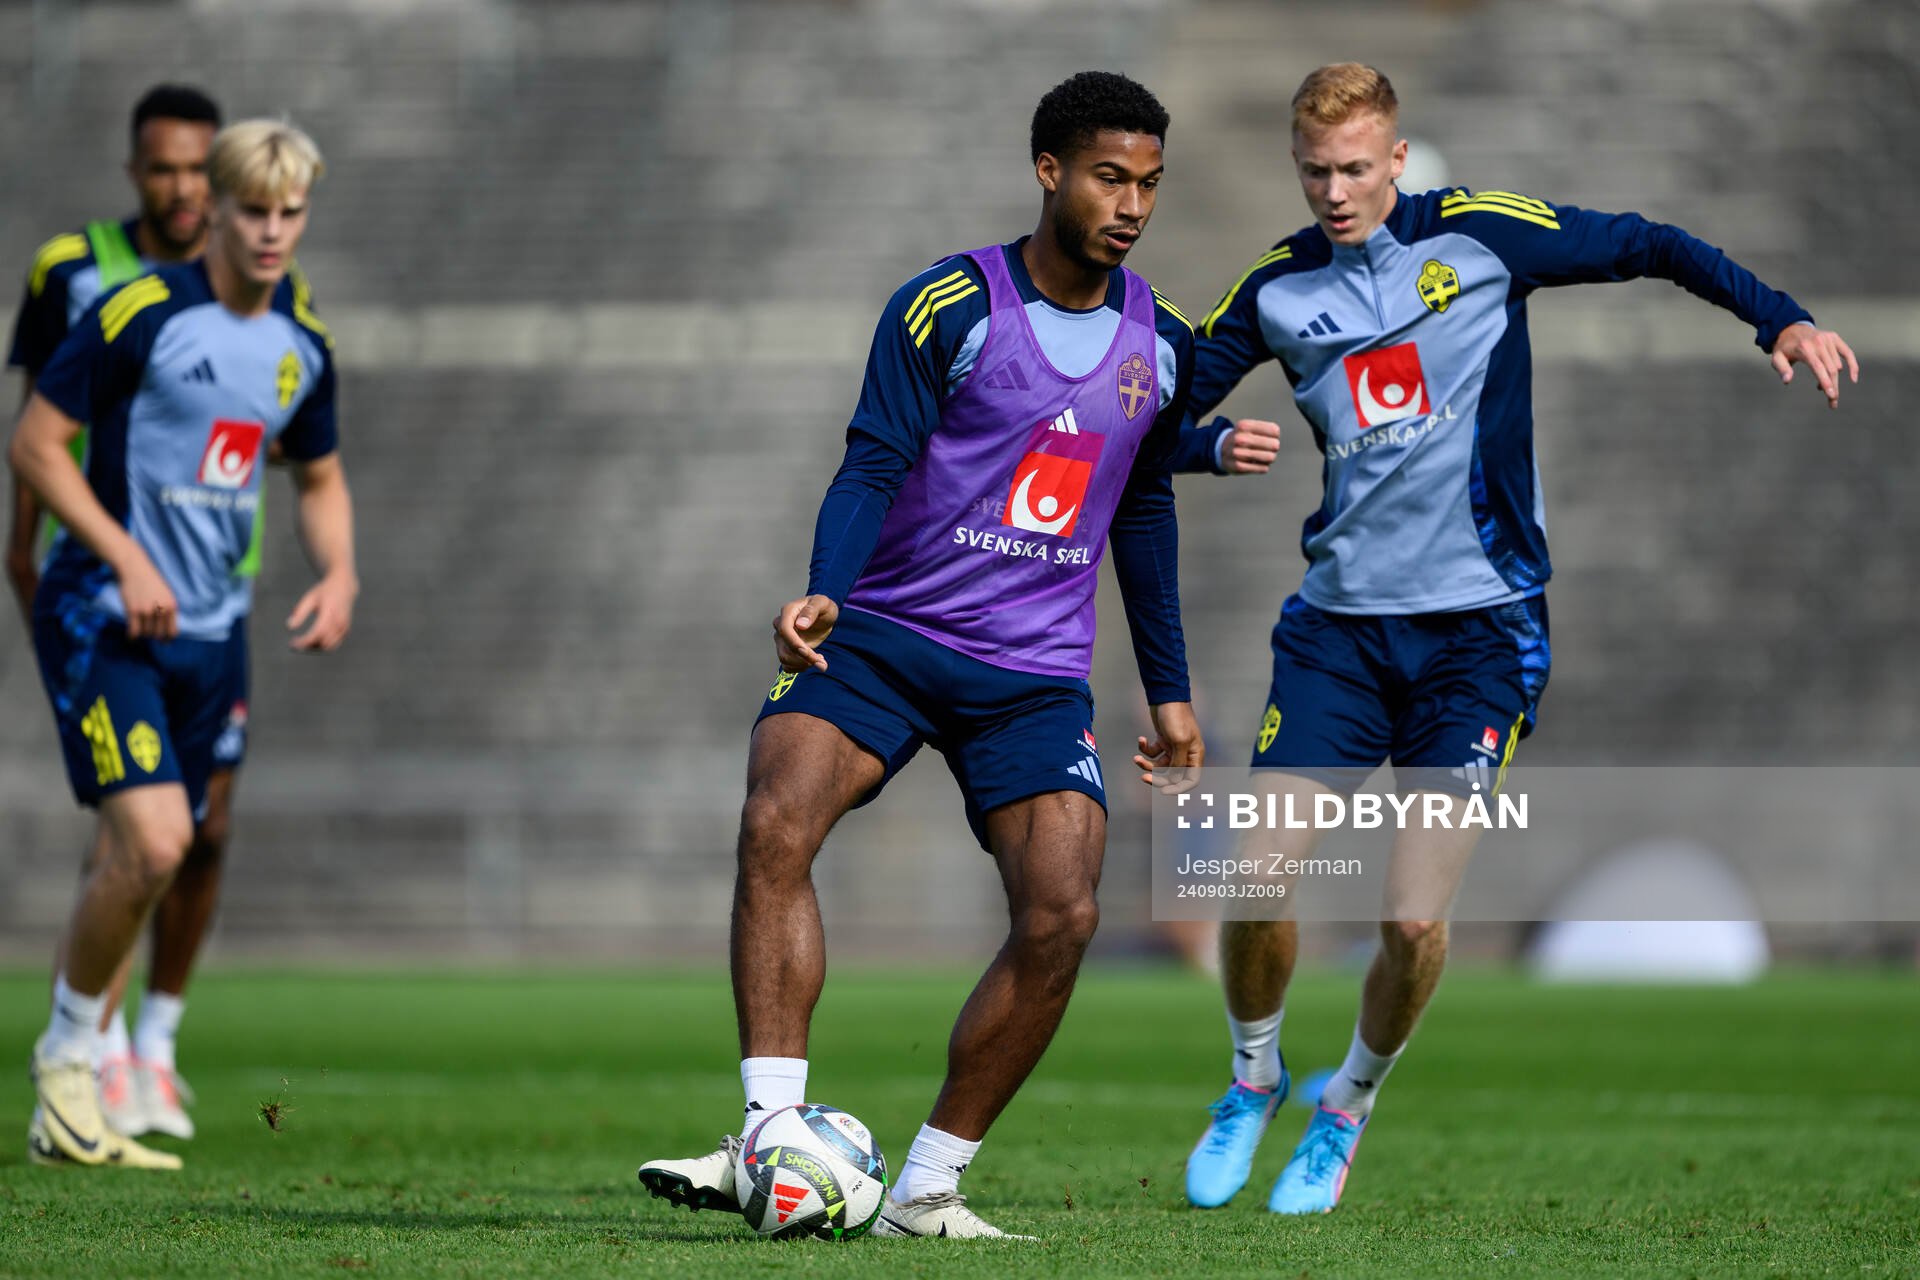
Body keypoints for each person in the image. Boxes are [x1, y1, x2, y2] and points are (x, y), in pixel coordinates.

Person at [1166, 63, 1857, 1215]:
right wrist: (1203, 447)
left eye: (1355, 168)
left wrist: (1778, 315)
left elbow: (1648, 240)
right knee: (1253, 875)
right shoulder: (1279, 289)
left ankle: (1345, 1106)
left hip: (1481, 636)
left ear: (1396, 159)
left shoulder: (1486, 240)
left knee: (1411, 917)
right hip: (1337, 634)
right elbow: (1156, 403)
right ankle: (1252, 1077)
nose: (1335, 192)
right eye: (1315, 171)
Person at [638, 71, 1203, 1239]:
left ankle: (927, 1188)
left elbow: (1142, 519)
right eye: (1110, 176)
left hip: (1034, 675)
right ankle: (767, 1133)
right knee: (774, 820)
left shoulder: (1166, 344)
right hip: (888, 634)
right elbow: (871, 462)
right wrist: (824, 591)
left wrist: (1173, 691)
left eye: (1149, 182)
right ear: (1049, 170)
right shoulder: (945, 305)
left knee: (1065, 912)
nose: (1132, 203)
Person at [13, 118, 357, 1169]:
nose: (271, 231)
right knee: (154, 840)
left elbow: (322, 477)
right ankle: (72, 1061)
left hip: (214, 634)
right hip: (104, 613)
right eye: (253, 209)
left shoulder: (301, 344)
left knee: (173, 844)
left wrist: (339, 570)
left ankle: (98, 1071)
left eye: (290, 212)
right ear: (213, 204)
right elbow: (33, 443)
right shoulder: (141, 311)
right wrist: (121, 553)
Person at [5, 84, 266, 1144]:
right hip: (111, 586)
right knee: (140, 818)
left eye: (201, 169)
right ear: (134, 172)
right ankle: (91, 1054)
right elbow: (39, 421)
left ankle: (152, 1043)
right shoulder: (75, 272)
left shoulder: (251, 286)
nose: (185, 189)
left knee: (202, 828)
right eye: (164, 168)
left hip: (219, 597)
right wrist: (24, 550)